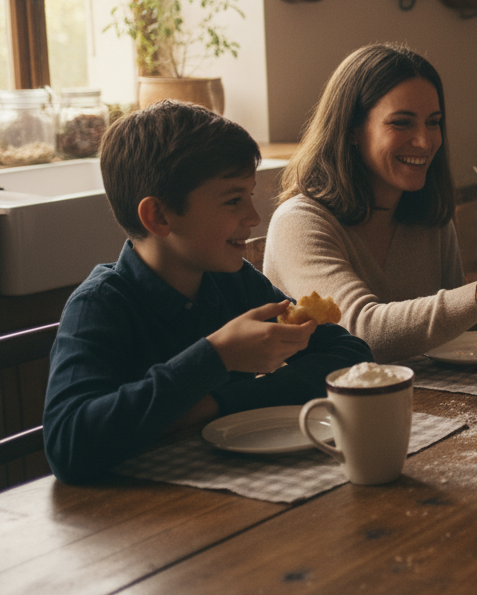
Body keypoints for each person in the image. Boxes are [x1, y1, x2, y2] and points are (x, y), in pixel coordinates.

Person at [43, 102, 373, 484]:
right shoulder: (99, 305)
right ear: (160, 217)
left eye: (249, 196)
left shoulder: (232, 281)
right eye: (234, 200)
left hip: (239, 490)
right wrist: (217, 356)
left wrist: (212, 404)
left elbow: (349, 355)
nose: (253, 217)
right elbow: (69, 445)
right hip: (134, 522)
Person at [265, 44, 477, 362]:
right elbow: (359, 332)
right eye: (402, 122)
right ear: (352, 130)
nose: (424, 141)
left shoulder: (429, 217)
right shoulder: (299, 222)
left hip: (418, 399)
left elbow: (452, 336)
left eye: (433, 122)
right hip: (319, 407)